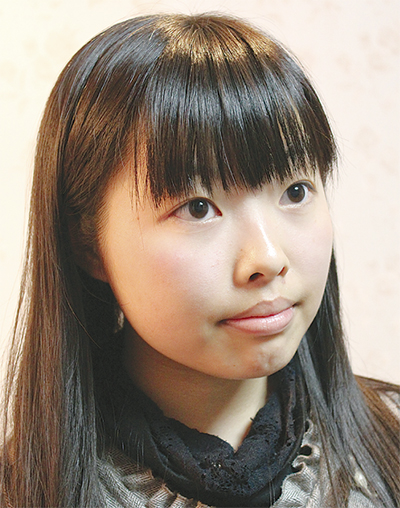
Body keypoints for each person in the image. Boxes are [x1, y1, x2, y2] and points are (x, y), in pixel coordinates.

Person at [1, 13, 399, 508]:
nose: (267, 258)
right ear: (87, 242)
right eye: (197, 208)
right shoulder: (21, 490)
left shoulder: (390, 445)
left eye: (295, 191)